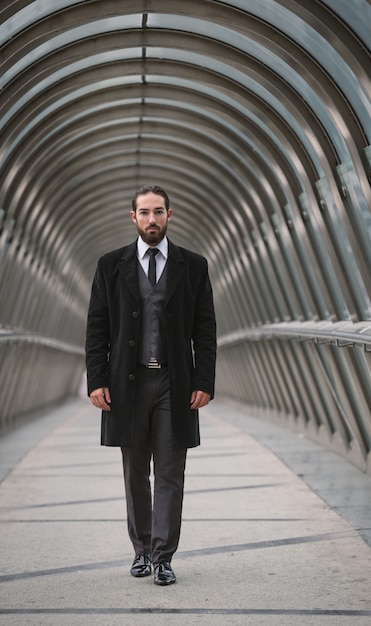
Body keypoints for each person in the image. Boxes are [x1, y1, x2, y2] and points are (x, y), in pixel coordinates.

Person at [85, 184, 216, 586]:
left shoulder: (193, 266)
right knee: (135, 471)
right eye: (144, 212)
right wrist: (97, 380)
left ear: (170, 215)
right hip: (128, 382)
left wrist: (204, 380)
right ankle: (140, 550)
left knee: (171, 472)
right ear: (133, 218)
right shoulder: (111, 265)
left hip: (173, 384)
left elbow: (205, 328)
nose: (152, 219)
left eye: (158, 212)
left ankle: (163, 557)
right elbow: (97, 327)